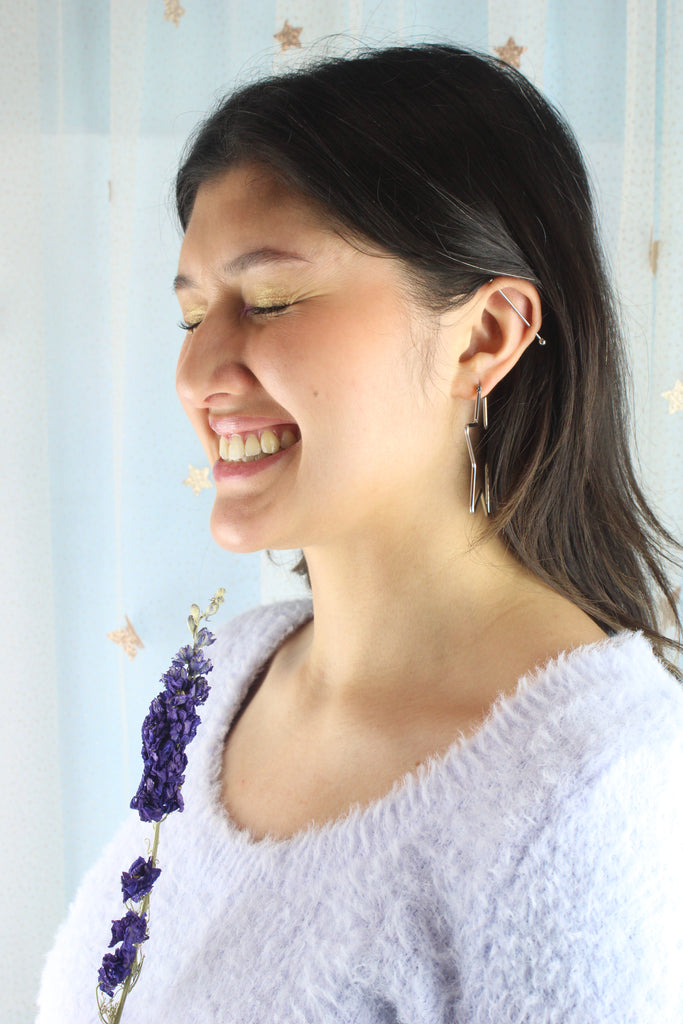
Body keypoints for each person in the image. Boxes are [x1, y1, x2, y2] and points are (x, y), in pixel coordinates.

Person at [37, 43, 683, 1023]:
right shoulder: (215, 684)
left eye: (270, 300)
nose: (199, 369)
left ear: (483, 336)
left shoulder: (588, 794)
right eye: (189, 318)